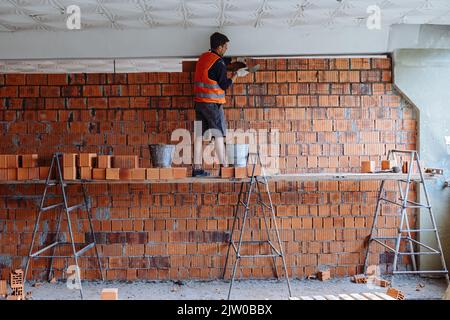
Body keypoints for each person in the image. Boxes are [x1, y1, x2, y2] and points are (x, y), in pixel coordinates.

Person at [192, 32, 248, 177]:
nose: (226, 49)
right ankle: (224, 167)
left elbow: (216, 64)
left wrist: (234, 60)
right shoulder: (219, 63)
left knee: (199, 135)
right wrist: (236, 75)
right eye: (225, 47)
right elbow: (224, 85)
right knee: (218, 134)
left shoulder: (204, 57)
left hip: (199, 104)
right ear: (219, 47)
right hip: (212, 105)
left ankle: (196, 168)